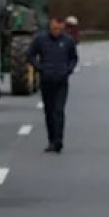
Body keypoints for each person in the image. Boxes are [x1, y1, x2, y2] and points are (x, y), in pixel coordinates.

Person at [27, 15, 78, 153]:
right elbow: (30, 55)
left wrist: (68, 70)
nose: (56, 30)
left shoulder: (68, 41)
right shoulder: (40, 39)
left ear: (62, 27)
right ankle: (51, 140)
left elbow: (73, 58)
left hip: (61, 81)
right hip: (46, 81)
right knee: (49, 112)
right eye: (54, 28)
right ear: (50, 25)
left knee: (59, 111)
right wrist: (39, 68)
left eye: (58, 28)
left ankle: (59, 140)